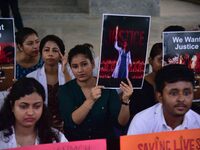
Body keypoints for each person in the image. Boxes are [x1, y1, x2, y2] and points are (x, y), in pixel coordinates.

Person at [59, 44, 133, 141]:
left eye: (84, 64)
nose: (80, 70)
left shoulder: (106, 87)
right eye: (75, 66)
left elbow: (121, 123)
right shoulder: (65, 90)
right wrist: (91, 100)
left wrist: (125, 101)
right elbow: (73, 122)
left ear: (93, 64)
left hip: (105, 144)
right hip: (77, 146)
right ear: (71, 68)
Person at [127, 64, 200, 135]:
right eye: (174, 93)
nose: (181, 99)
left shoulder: (197, 122)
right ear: (160, 97)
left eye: (187, 93)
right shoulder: (142, 122)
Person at [0, 77, 67, 149]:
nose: (30, 112)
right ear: (12, 106)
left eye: (37, 106)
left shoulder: (57, 139)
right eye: (23, 106)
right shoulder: (1, 139)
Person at [27, 35, 71, 132]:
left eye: (55, 50)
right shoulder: (31, 77)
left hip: (68, 125)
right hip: (40, 126)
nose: (50, 54)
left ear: (61, 54)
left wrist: (65, 71)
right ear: (41, 53)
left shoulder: (70, 73)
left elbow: (73, 97)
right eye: (46, 50)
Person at [130, 42, 162, 117]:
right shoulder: (139, 85)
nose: (164, 64)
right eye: (160, 60)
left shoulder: (173, 85)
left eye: (168, 61)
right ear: (150, 60)